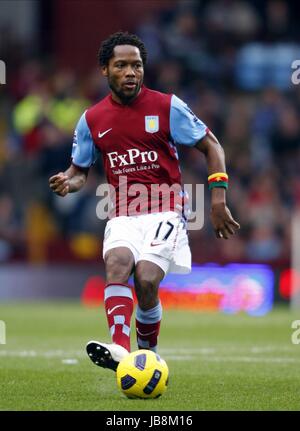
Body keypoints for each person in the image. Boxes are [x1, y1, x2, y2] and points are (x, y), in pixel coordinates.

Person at [49, 32, 240, 372]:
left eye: (136, 65)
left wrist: (217, 200)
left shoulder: (167, 106)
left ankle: (147, 353)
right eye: (121, 65)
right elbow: (80, 171)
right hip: (121, 210)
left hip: (167, 209)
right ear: (104, 70)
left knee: (147, 281)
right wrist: (69, 181)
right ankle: (121, 349)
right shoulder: (92, 119)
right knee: (118, 263)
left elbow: (212, 146)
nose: (130, 72)